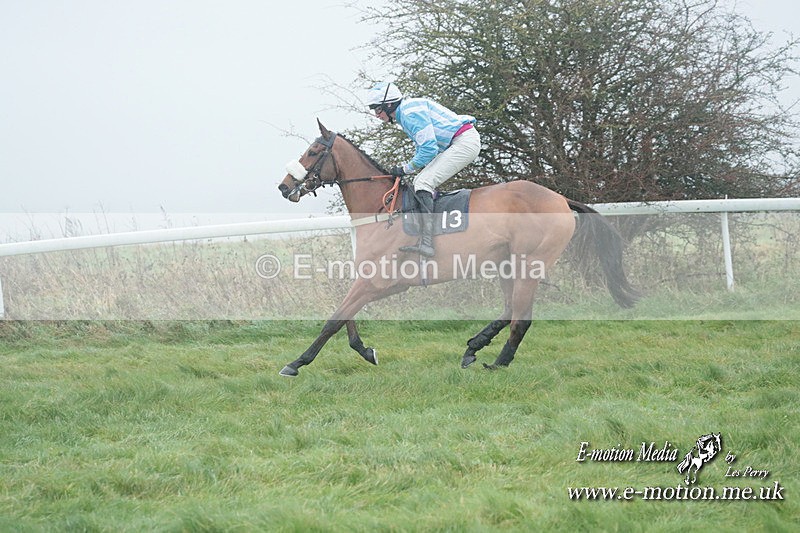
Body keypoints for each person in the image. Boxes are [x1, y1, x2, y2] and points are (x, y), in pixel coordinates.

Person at [366, 81, 481, 257]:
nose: (376, 115)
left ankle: (427, 242)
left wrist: (405, 168)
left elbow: (429, 149)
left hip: (463, 142)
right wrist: (408, 168)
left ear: (389, 105)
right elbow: (423, 148)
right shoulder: (406, 112)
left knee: (423, 183)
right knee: (419, 181)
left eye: (378, 109)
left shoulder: (409, 114)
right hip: (460, 140)